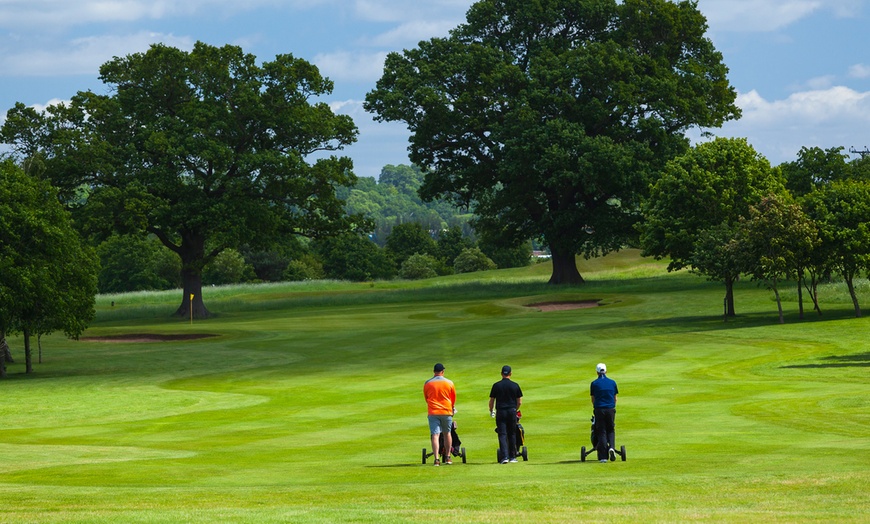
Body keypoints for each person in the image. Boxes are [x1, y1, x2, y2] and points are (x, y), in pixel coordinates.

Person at [489, 365, 523, 464]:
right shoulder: (515, 385)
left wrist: (491, 411)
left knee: (502, 434)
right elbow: (519, 401)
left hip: (501, 411)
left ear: (501, 374)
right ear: (510, 374)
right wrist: (515, 409)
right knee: (512, 433)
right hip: (511, 411)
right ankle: (513, 457)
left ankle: (504, 457)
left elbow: (492, 400)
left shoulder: (496, 385)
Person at [423, 362, 456, 466]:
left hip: (433, 411)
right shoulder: (449, 383)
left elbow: (426, 398)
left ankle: (436, 458)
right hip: (446, 411)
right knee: (447, 433)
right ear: (443, 371)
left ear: (434, 372)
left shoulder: (428, 383)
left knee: (435, 434)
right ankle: (448, 456)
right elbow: (453, 398)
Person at [590, 362, 618, 463]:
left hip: (599, 409)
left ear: (597, 372)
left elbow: (593, 399)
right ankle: (612, 447)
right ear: (606, 371)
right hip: (610, 409)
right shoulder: (612, 382)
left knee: (601, 431)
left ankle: (603, 457)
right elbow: (615, 398)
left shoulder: (594, 383)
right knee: (611, 429)